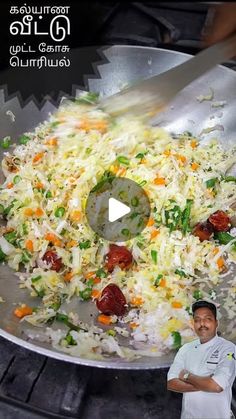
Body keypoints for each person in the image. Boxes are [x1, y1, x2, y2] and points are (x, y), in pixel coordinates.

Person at [167, 300, 236, 419]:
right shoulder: (185, 349)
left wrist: (186, 376)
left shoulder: (228, 348)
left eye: (207, 319)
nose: (202, 323)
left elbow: (217, 386)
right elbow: (171, 383)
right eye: (197, 320)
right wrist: (206, 384)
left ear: (216, 323)